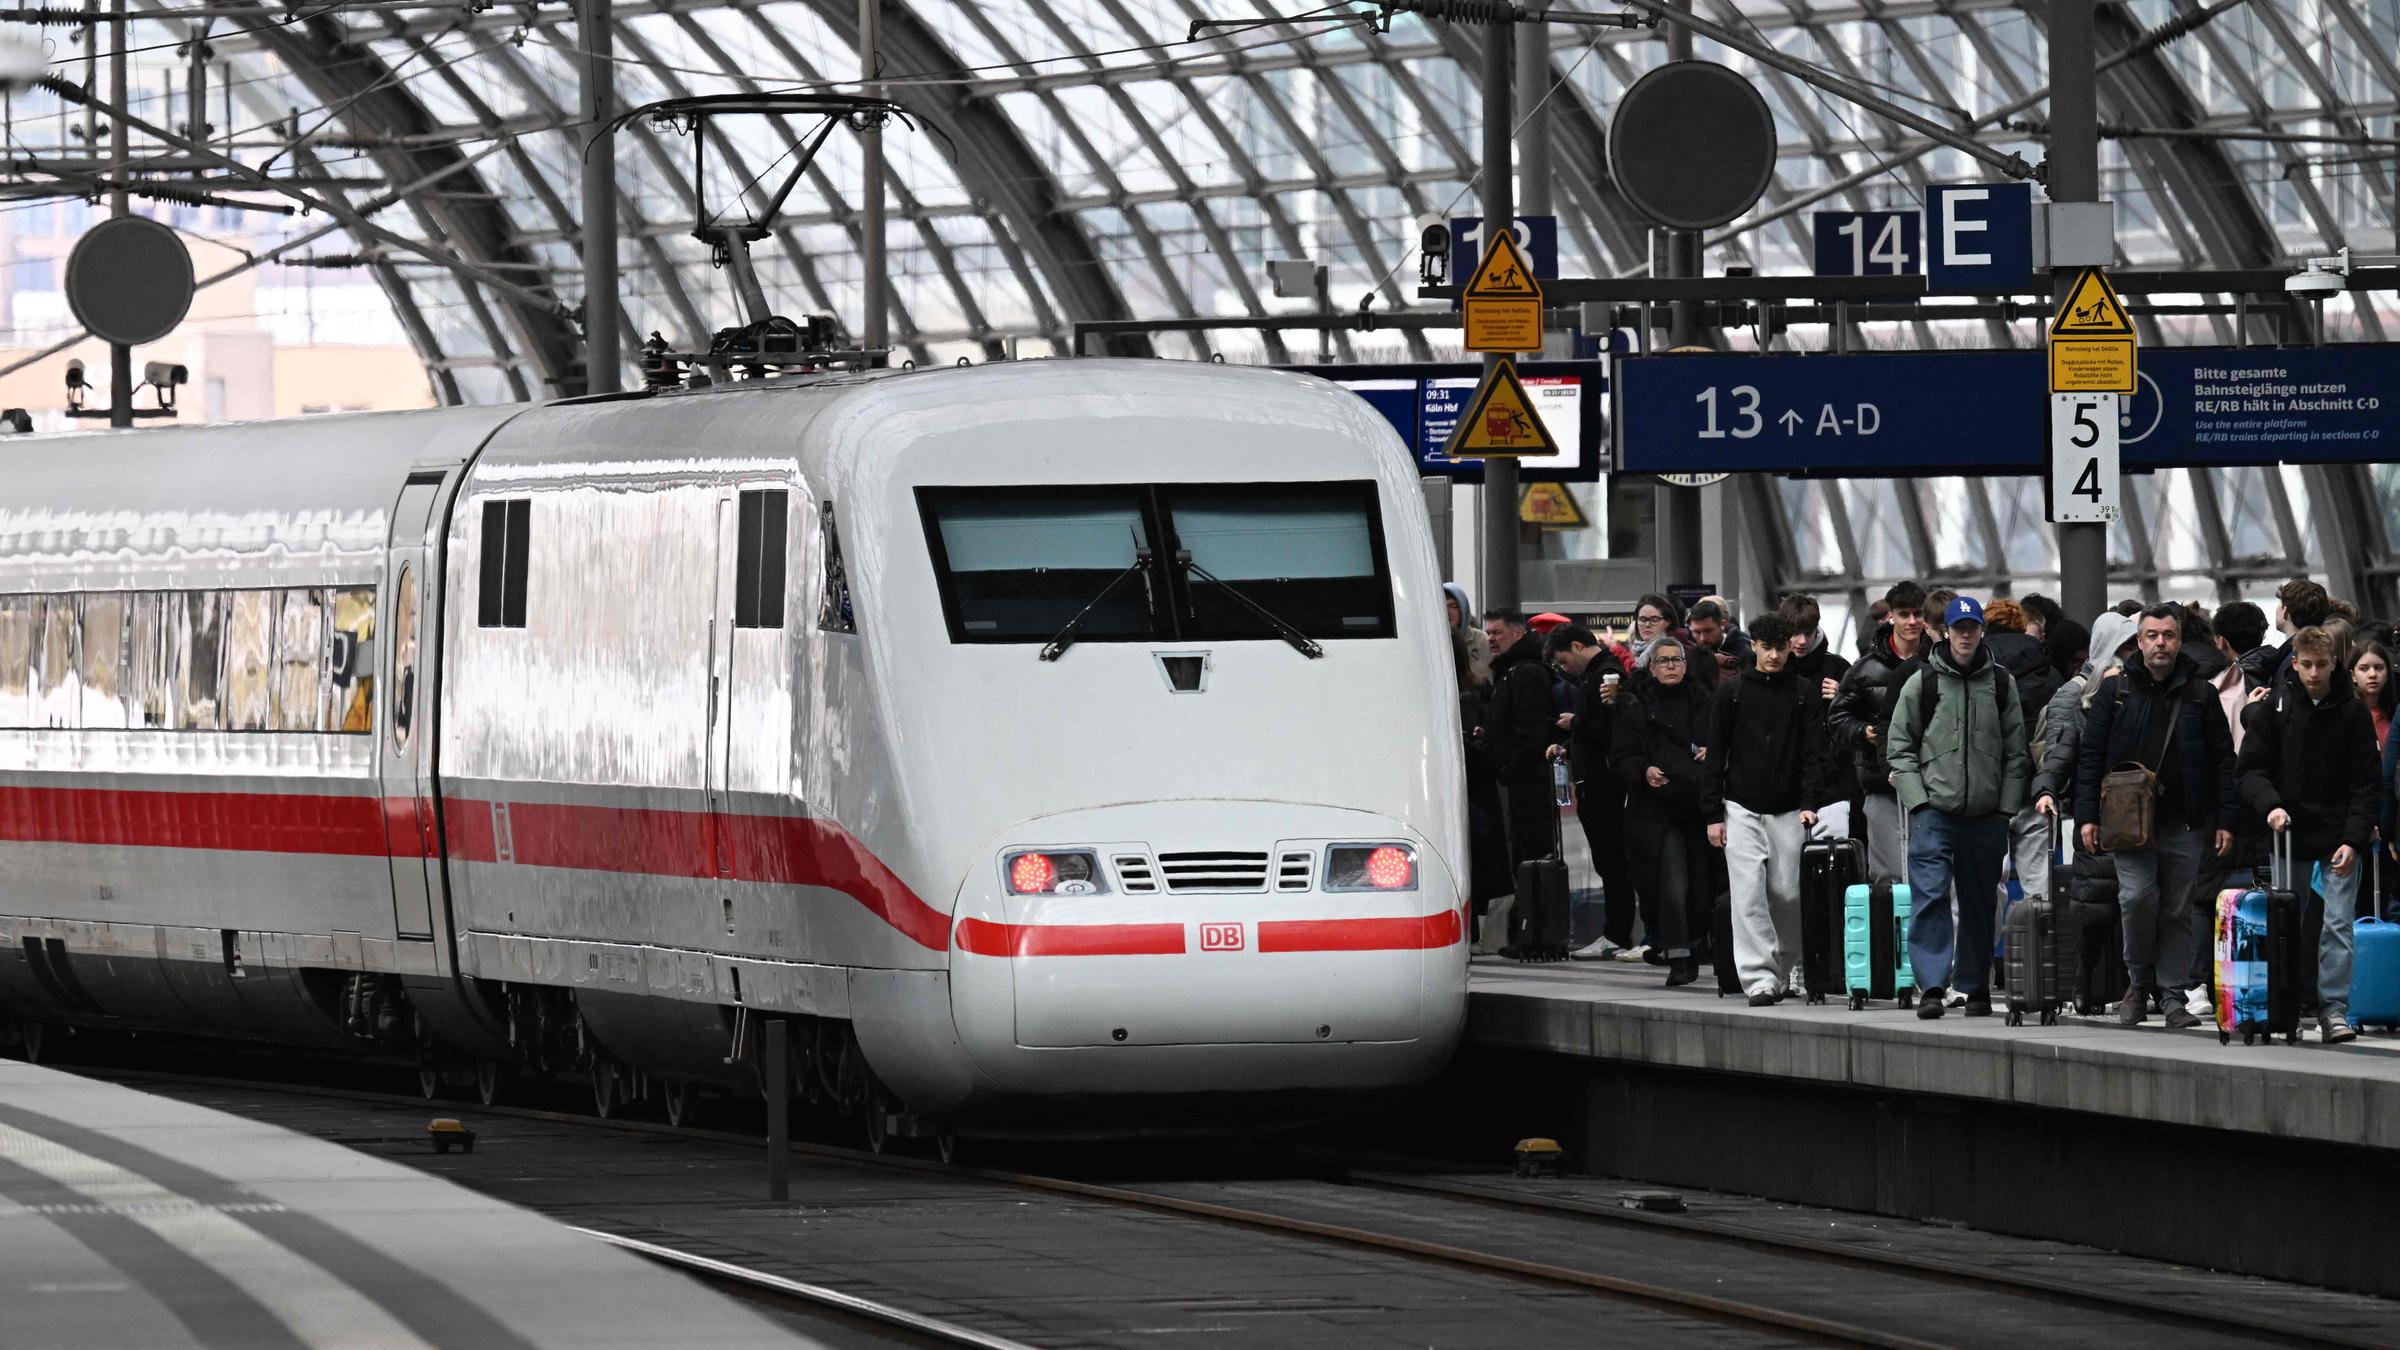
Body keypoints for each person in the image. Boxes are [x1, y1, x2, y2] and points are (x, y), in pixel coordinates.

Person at [2076, 603, 2238, 1029]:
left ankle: (2171, 996)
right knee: (2136, 899)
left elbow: (2224, 760)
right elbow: (2090, 756)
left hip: (2185, 820)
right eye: (2151, 636)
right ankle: (2138, 982)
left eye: (2168, 635)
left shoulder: (2201, 694)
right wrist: (2086, 816)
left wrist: (2224, 819)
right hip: (2127, 823)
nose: (2160, 643)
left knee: (2177, 909)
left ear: (2179, 640)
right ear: (2140, 642)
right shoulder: (2117, 692)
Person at [1886, 596, 2028, 1018]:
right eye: (1959, 627)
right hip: (1935, 813)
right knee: (1929, 896)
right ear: (1945, 632)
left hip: (1985, 815)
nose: (1966, 635)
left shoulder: (2001, 683)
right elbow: (1899, 747)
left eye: (1973, 627)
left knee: (1980, 901)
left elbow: (2016, 751)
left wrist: (2004, 809)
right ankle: (1932, 985)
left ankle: (1972, 986)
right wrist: (1920, 803)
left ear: (1982, 631)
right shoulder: (1923, 682)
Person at [2238, 626, 2381, 1044]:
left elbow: (2366, 783)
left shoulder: (2352, 714)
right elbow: (2249, 770)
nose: (2314, 673)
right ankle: (2287, 1004)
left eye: (2321, 664)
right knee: (2289, 923)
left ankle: (2333, 1009)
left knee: (2337, 925)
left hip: (2337, 835)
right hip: (2289, 831)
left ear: (2335, 663)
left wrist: (2354, 839)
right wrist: (2271, 805)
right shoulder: (2276, 708)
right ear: (2295, 664)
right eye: (2306, 665)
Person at [1704, 613, 1828, 1005]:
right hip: (1739, 806)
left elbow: (1813, 753)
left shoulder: (1803, 692)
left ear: (1791, 646)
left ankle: (1788, 963)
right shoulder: (1732, 692)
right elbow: (1715, 754)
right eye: (1767, 647)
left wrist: (1810, 802)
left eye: (1781, 647)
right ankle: (1759, 977)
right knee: (1747, 894)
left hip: (1789, 808)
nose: (1774, 655)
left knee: (1788, 893)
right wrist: (1711, 814)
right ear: (1753, 646)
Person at [1611, 636, 1713, 987]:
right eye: (1664, 661)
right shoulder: (1636, 706)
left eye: (1677, 660)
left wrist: (1714, 752)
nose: (1671, 666)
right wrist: (1643, 771)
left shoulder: (1705, 701)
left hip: (1699, 806)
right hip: (1658, 809)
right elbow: (1621, 756)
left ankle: (1695, 943)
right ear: (1652, 667)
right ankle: (1679, 956)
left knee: (1702, 887)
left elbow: (1728, 741)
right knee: (1672, 884)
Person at [1544, 625, 1638, 961]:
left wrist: (1576, 724)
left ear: (1575, 645)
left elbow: (1610, 727)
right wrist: (1568, 746)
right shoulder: (1595, 675)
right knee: (1606, 859)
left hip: (1606, 782)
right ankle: (1614, 932)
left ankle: (1617, 933)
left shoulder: (1608, 673)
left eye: (1564, 659)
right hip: (1594, 779)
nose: (1565, 667)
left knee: (1613, 859)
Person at [1830, 580, 1931, 883]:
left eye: (1917, 614)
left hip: (1932, 782)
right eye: (1904, 614)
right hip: (1881, 783)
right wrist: (1865, 732)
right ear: (1891, 617)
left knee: (1931, 871)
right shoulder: (1864, 670)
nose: (1912, 621)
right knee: (1889, 876)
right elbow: (1837, 718)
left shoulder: (1939, 661)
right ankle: (1892, 932)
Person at [1984, 600, 2057, 906]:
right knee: (2039, 882)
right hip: (2036, 789)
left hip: (1990, 792)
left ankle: (1985, 952)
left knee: (1989, 884)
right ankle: (2039, 952)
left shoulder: (1977, 668)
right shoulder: (2047, 669)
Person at [1482, 609, 1563, 875]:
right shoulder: (1511, 670)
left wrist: (1508, 768)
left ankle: (1536, 911)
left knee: (1532, 853)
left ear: (1518, 633)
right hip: (1522, 778)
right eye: (1488, 633)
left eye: (1497, 632)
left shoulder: (1524, 672)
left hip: (1528, 781)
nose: (1491, 639)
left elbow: (1531, 729)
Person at [1782, 593, 1854, 840]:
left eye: (1808, 632)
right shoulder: (1770, 672)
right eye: (1794, 633)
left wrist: (1842, 698)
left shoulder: (1838, 668)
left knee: (1833, 859)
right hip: (1784, 785)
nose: (1801, 641)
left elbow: (1859, 720)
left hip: (1832, 784)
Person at [1687, 599, 1748, 680]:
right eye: (1697, 632)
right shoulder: (1688, 655)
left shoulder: (1744, 654)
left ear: (1722, 624)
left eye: (1708, 631)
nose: (1703, 638)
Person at [1445, 583, 1491, 686]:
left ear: (1463, 609)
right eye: (1442, 606)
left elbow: (1488, 680)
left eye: (1453, 606)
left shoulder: (1480, 639)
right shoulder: (1428, 642)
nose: (1447, 612)